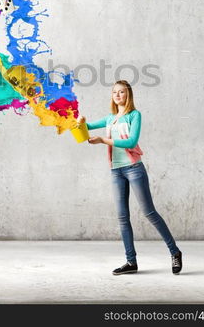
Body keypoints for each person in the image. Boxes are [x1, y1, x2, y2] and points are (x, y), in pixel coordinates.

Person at [79, 80, 182, 275]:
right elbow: (87, 128)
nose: (117, 95)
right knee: (122, 218)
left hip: (134, 168)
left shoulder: (135, 115)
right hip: (116, 171)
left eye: (122, 92)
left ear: (128, 95)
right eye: (115, 92)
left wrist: (102, 140)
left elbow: (131, 141)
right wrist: (79, 122)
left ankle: (175, 252)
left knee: (149, 212)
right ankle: (131, 262)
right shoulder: (110, 118)